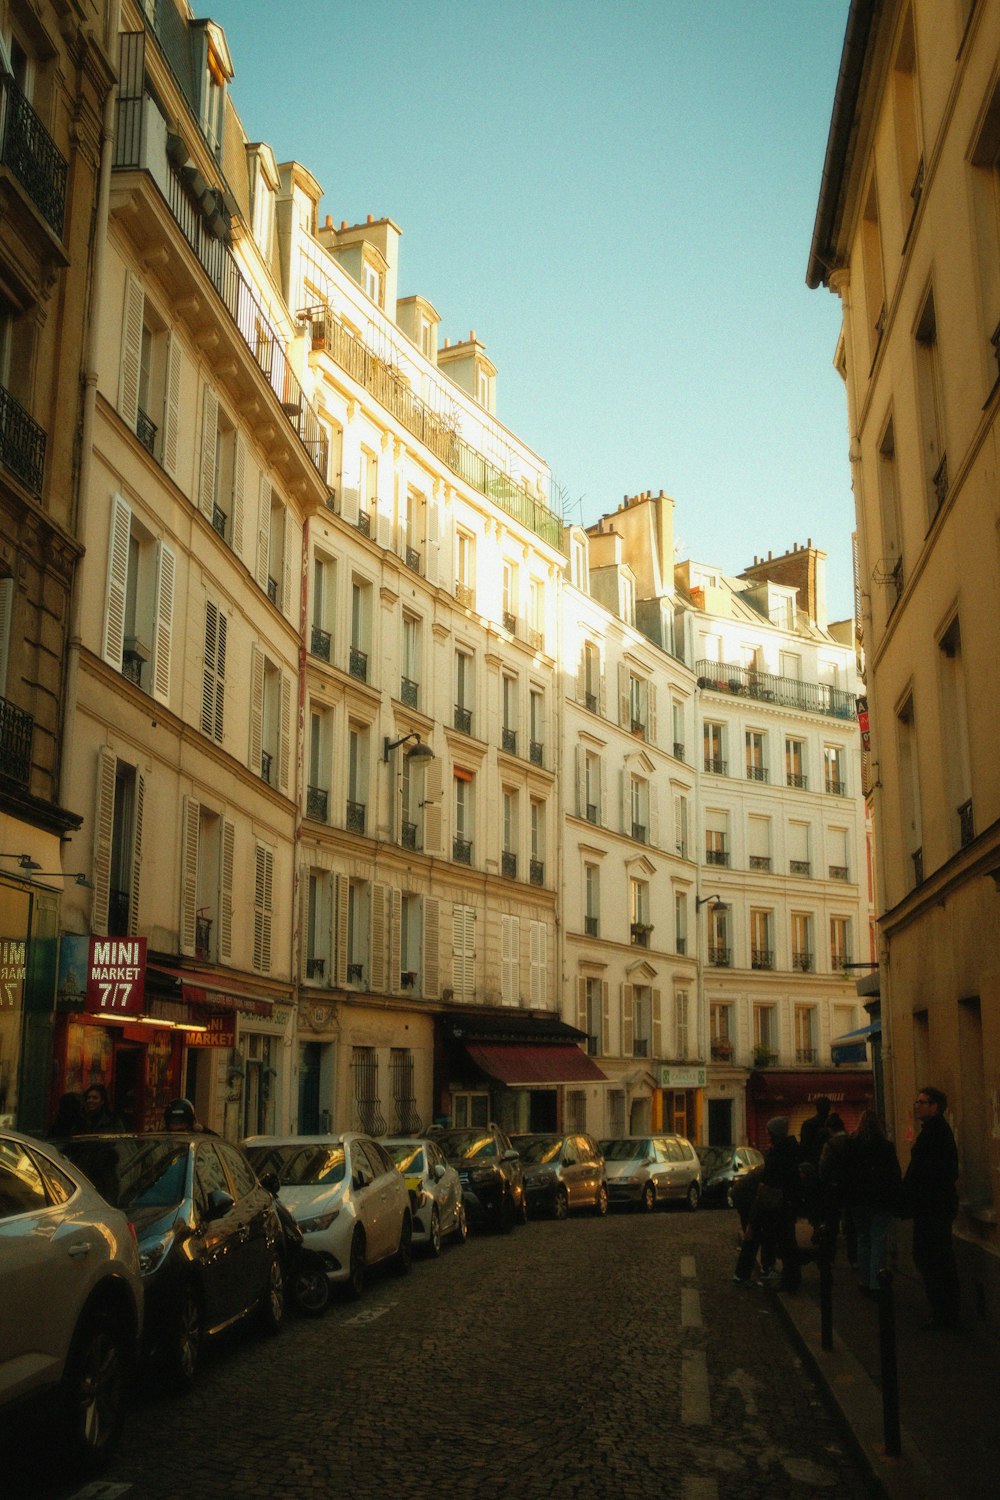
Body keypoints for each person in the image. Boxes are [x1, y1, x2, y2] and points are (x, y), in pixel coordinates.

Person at [898, 1086, 961, 1329]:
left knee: (933, 1259)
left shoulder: (936, 1134)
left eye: (921, 1102)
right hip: (933, 1206)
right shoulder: (934, 1132)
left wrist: (911, 1195)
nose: (917, 1106)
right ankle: (943, 1311)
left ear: (934, 1106)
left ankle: (944, 1313)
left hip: (933, 1207)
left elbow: (928, 1172)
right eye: (916, 1102)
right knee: (933, 1258)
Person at [843, 1109, 900, 1293]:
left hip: (858, 1200)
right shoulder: (886, 1146)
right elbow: (894, 1174)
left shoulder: (851, 1145)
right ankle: (877, 1282)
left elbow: (846, 1173)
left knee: (863, 1238)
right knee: (877, 1239)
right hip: (880, 1200)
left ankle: (864, 1280)